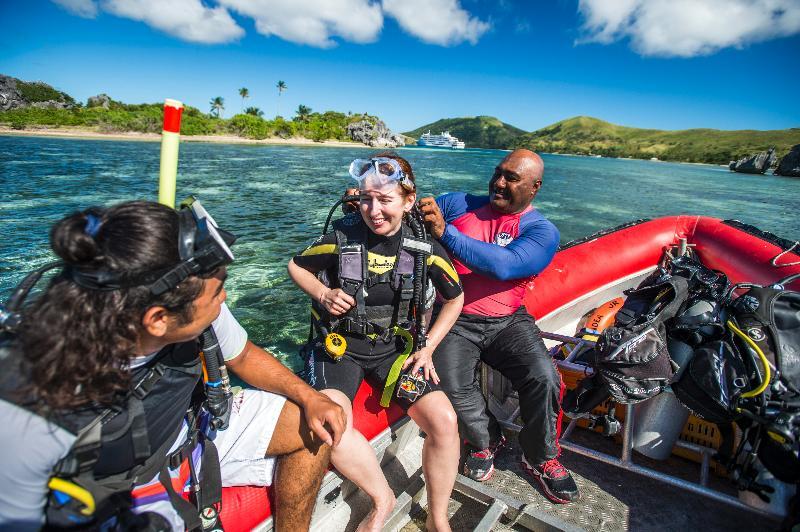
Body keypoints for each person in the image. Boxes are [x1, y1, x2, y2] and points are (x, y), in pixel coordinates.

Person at [0, 199, 346, 531]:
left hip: (192, 432)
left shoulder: (190, 304)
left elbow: (242, 355)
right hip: (110, 486)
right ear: (158, 320)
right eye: (217, 294)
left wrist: (310, 397)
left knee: (309, 424)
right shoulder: (29, 402)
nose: (224, 298)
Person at [288, 153, 464, 531]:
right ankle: (382, 500)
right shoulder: (341, 238)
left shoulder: (425, 249)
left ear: (408, 200)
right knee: (330, 424)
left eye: (385, 200)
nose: (374, 210)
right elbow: (296, 265)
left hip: (395, 352)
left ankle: (438, 519)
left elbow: (455, 298)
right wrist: (322, 294)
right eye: (367, 199)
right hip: (339, 349)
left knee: (446, 421)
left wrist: (428, 345)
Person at [417, 148, 580, 504]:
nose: (499, 182)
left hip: (508, 320)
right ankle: (486, 439)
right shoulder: (458, 203)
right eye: (498, 172)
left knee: (544, 377)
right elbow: (408, 215)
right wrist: (370, 203)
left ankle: (541, 455)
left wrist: (446, 233)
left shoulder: (541, 230)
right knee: (447, 382)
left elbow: (504, 266)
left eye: (511, 178)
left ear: (534, 188)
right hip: (455, 318)